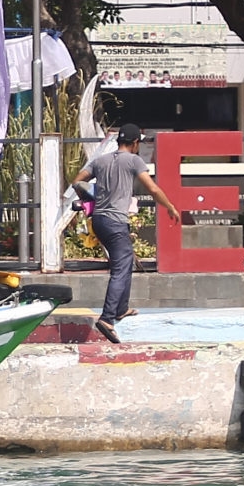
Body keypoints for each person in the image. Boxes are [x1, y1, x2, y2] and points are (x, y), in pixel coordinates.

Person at [75, 129, 182, 338]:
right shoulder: (134, 161)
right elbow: (152, 188)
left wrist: (90, 200)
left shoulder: (100, 161)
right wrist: (169, 206)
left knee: (125, 262)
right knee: (120, 269)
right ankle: (107, 318)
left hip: (99, 220)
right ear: (134, 143)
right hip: (115, 221)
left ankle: (121, 309)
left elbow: (77, 181)